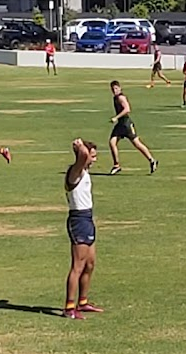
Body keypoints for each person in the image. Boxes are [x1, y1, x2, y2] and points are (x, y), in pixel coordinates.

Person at [63, 138, 104, 320]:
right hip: (78, 219)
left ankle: (83, 302)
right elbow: (84, 155)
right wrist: (80, 147)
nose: (94, 159)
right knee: (77, 266)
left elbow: (86, 156)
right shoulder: (75, 171)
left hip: (88, 217)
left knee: (90, 264)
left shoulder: (84, 171)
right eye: (92, 156)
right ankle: (69, 307)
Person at [107, 81, 158, 176]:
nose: (114, 91)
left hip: (126, 124)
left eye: (116, 88)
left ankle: (152, 160)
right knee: (112, 142)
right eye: (113, 89)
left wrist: (116, 117)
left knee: (137, 144)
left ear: (120, 88)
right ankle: (116, 165)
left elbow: (127, 109)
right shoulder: (116, 97)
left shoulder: (121, 97)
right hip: (120, 124)